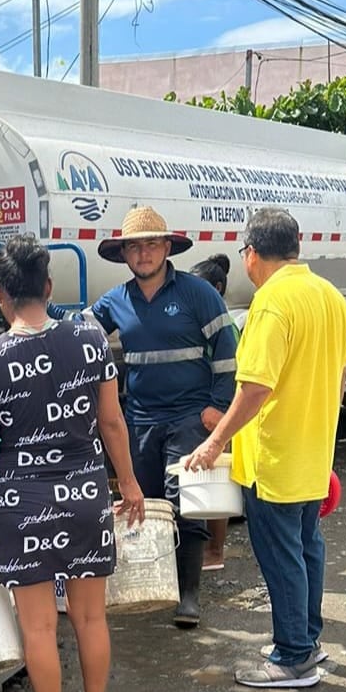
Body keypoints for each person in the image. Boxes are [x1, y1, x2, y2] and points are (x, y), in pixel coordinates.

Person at [0, 235, 145, 692]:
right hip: (87, 494)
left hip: (21, 505)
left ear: (0, 295)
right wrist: (128, 483)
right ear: (48, 286)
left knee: (38, 628)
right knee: (90, 617)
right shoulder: (91, 341)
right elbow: (111, 422)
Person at [184, 208, 346, 688]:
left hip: (276, 459)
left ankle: (293, 656)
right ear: (296, 245)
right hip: (313, 453)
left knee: (282, 556)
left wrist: (215, 443)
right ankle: (306, 640)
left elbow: (254, 388)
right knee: (306, 550)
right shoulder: (330, 297)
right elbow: (338, 377)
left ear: (252, 253)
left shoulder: (272, 303)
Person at [88, 206, 238, 627]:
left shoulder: (197, 293)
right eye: (134, 247)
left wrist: (218, 406)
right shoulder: (115, 301)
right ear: (124, 254)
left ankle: (189, 596)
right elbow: (81, 333)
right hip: (139, 421)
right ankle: (156, 584)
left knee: (184, 504)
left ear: (167, 247)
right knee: (148, 505)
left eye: (151, 244)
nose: (143, 254)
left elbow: (228, 349)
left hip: (190, 416)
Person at [189, 254, 235, 572]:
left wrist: (218, 407)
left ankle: (215, 551)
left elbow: (232, 370)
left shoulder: (225, 325)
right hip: (209, 408)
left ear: (216, 288)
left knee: (217, 481)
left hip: (221, 410)